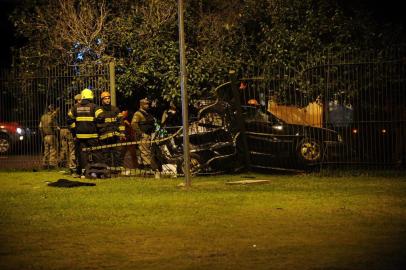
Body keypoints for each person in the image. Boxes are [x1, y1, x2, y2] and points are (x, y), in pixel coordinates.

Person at [67, 88, 102, 177]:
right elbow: (101, 118)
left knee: (82, 155)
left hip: (80, 137)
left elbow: (69, 120)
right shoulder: (95, 107)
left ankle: (84, 172)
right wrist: (95, 124)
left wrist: (75, 131)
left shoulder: (75, 107)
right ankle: (96, 172)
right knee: (95, 153)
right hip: (93, 136)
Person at [97, 91, 125, 171]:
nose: (107, 100)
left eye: (108, 98)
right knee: (106, 154)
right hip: (104, 137)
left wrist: (122, 133)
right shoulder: (99, 110)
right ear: (102, 100)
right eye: (105, 98)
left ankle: (118, 169)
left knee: (118, 153)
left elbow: (121, 121)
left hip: (115, 136)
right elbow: (97, 123)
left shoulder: (115, 109)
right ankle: (107, 170)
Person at [131, 98, 160, 174]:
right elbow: (133, 124)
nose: (147, 105)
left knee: (149, 152)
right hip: (143, 135)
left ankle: (149, 166)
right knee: (145, 152)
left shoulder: (147, 113)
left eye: (148, 104)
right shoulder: (138, 113)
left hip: (149, 135)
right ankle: (147, 167)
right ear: (141, 105)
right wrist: (141, 133)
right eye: (145, 104)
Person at [59, 94, 81, 174]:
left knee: (64, 149)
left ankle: (62, 164)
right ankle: (72, 166)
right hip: (69, 130)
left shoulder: (61, 108)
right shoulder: (74, 108)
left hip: (61, 130)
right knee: (72, 149)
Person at [39, 104, 60, 169]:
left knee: (46, 150)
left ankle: (45, 163)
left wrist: (42, 135)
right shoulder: (51, 117)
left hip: (45, 136)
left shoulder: (42, 117)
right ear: (50, 109)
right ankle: (52, 164)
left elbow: (40, 127)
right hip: (51, 135)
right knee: (53, 150)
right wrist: (56, 129)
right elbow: (54, 126)